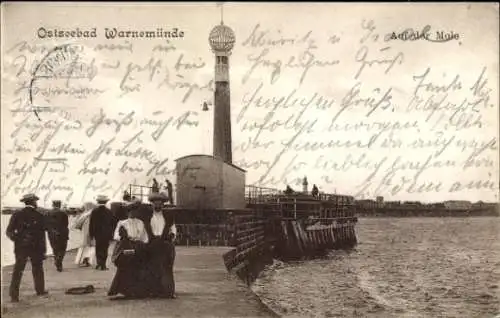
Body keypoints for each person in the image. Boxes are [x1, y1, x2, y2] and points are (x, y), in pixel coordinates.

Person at [6, 193, 49, 302]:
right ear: (34, 202)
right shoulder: (39, 215)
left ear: (25, 202)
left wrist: (17, 239)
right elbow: (42, 235)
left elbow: (9, 231)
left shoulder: (16, 214)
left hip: (21, 247)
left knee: (18, 270)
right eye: (36, 201)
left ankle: (14, 295)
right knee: (38, 269)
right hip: (36, 247)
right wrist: (44, 250)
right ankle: (40, 290)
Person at [108, 200, 150, 299]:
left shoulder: (140, 222)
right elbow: (116, 236)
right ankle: (124, 290)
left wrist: (141, 242)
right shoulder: (122, 223)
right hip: (126, 246)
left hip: (138, 246)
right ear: (127, 212)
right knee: (125, 268)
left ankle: (137, 290)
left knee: (138, 268)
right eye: (131, 211)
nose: (133, 213)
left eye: (135, 211)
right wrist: (125, 238)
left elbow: (144, 236)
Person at [144, 193, 177, 298]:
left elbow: (173, 228)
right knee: (152, 268)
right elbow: (143, 231)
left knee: (167, 268)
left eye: (160, 203)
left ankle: (168, 291)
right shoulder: (147, 217)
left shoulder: (168, 217)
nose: (157, 205)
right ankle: (153, 291)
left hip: (164, 244)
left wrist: (172, 235)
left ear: (163, 204)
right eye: (155, 203)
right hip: (152, 243)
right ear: (152, 204)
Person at [89, 195, 115, 270]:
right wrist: (111, 234)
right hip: (106, 234)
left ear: (97, 202)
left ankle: (99, 263)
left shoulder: (94, 211)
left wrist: (91, 234)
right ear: (106, 202)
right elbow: (112, 224)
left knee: (98, 248)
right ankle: (103, 264)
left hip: (97, 234)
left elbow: (91, 223)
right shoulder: (109, 211)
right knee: (105, 249)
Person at [46, 200, 69, 272]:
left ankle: (58, 263)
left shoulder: (48, 213)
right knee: (62, 249)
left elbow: (46, 225)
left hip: (52, 234)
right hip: (62, 234)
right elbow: (66, 224)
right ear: (59, 205)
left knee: (55, 249)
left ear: (53, 205)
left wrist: (51, 231)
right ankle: (59, 261)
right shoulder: (64, 213)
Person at [73, 202, 96, 267]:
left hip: (85, 232)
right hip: (93, 232)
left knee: (83, 247)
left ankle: (81, 260)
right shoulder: (95, 214)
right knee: (92, 247)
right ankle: (88, 259)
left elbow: (77, 224)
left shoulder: (85, 215)